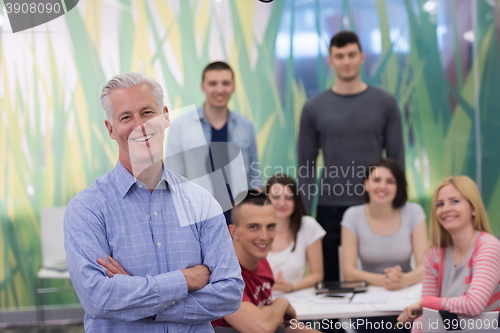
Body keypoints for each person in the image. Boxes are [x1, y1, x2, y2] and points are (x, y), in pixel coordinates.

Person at [64, 72, 244, 332]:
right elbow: (99, 298)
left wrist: (142, 305)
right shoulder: (87, 209)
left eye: (147, 112)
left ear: (166, 116)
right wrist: (185, 279)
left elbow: (229, 293)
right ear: (111, 129)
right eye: (126, 117)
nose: (139, 125)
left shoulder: (202, 202)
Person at [297, 31, 405, 282]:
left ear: (362, 57)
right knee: (331, 281)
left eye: (351, 55)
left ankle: (377, 322)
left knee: (379, 276)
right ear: (331, 61)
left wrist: (397, 203)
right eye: (340, 55)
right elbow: (306, 165)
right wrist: (302, 216)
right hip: (329, 206)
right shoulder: (313, 107)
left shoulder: (385, 103)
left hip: (374, 204)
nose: (346, 61)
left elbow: (396, 159)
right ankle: (330, 324)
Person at [398, 176, 500, 333]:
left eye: (455, 201)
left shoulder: (488, 246)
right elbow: (427, 313)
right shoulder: (434, 255)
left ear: (473, 208)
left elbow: (474, 305)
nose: (445, 209)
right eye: (440, 204)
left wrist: (427, 303)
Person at [166, 61, 263, 225]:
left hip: (240, 216)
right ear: (203, 86)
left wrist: (256, 208)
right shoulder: (180, 126)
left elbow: (254, 174)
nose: (219, 89)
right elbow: (174, 177)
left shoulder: (245, 126)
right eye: (213, 83)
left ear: (233, 86)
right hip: (199, 214)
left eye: (225, 83)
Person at [211, 190, 320, 333]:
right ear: (233, 232)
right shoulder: (221, 275)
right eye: (253, 227)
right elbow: (261, 328)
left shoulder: (261, 262)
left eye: (270, 226)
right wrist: (282, 303)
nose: (264, 236)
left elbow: (284, 326)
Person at [341, 159, 427, 290]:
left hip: (406, 290)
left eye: (390, 182)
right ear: (366, 184)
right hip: (369, 294)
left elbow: (425, 268)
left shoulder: (414, 212)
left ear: (398, 187)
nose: (382, 186)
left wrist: (404, 280)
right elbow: (348, 273)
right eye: (376, 180)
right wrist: (387, 281)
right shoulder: (352, 216)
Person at [265, 174, 326, 293]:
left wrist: (291, 287)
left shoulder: (308, 225)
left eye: (289, 198)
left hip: (298, 299)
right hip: (260, 301)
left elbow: (317, 275)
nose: (282, 203)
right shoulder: (253, 230)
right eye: (276, 197)